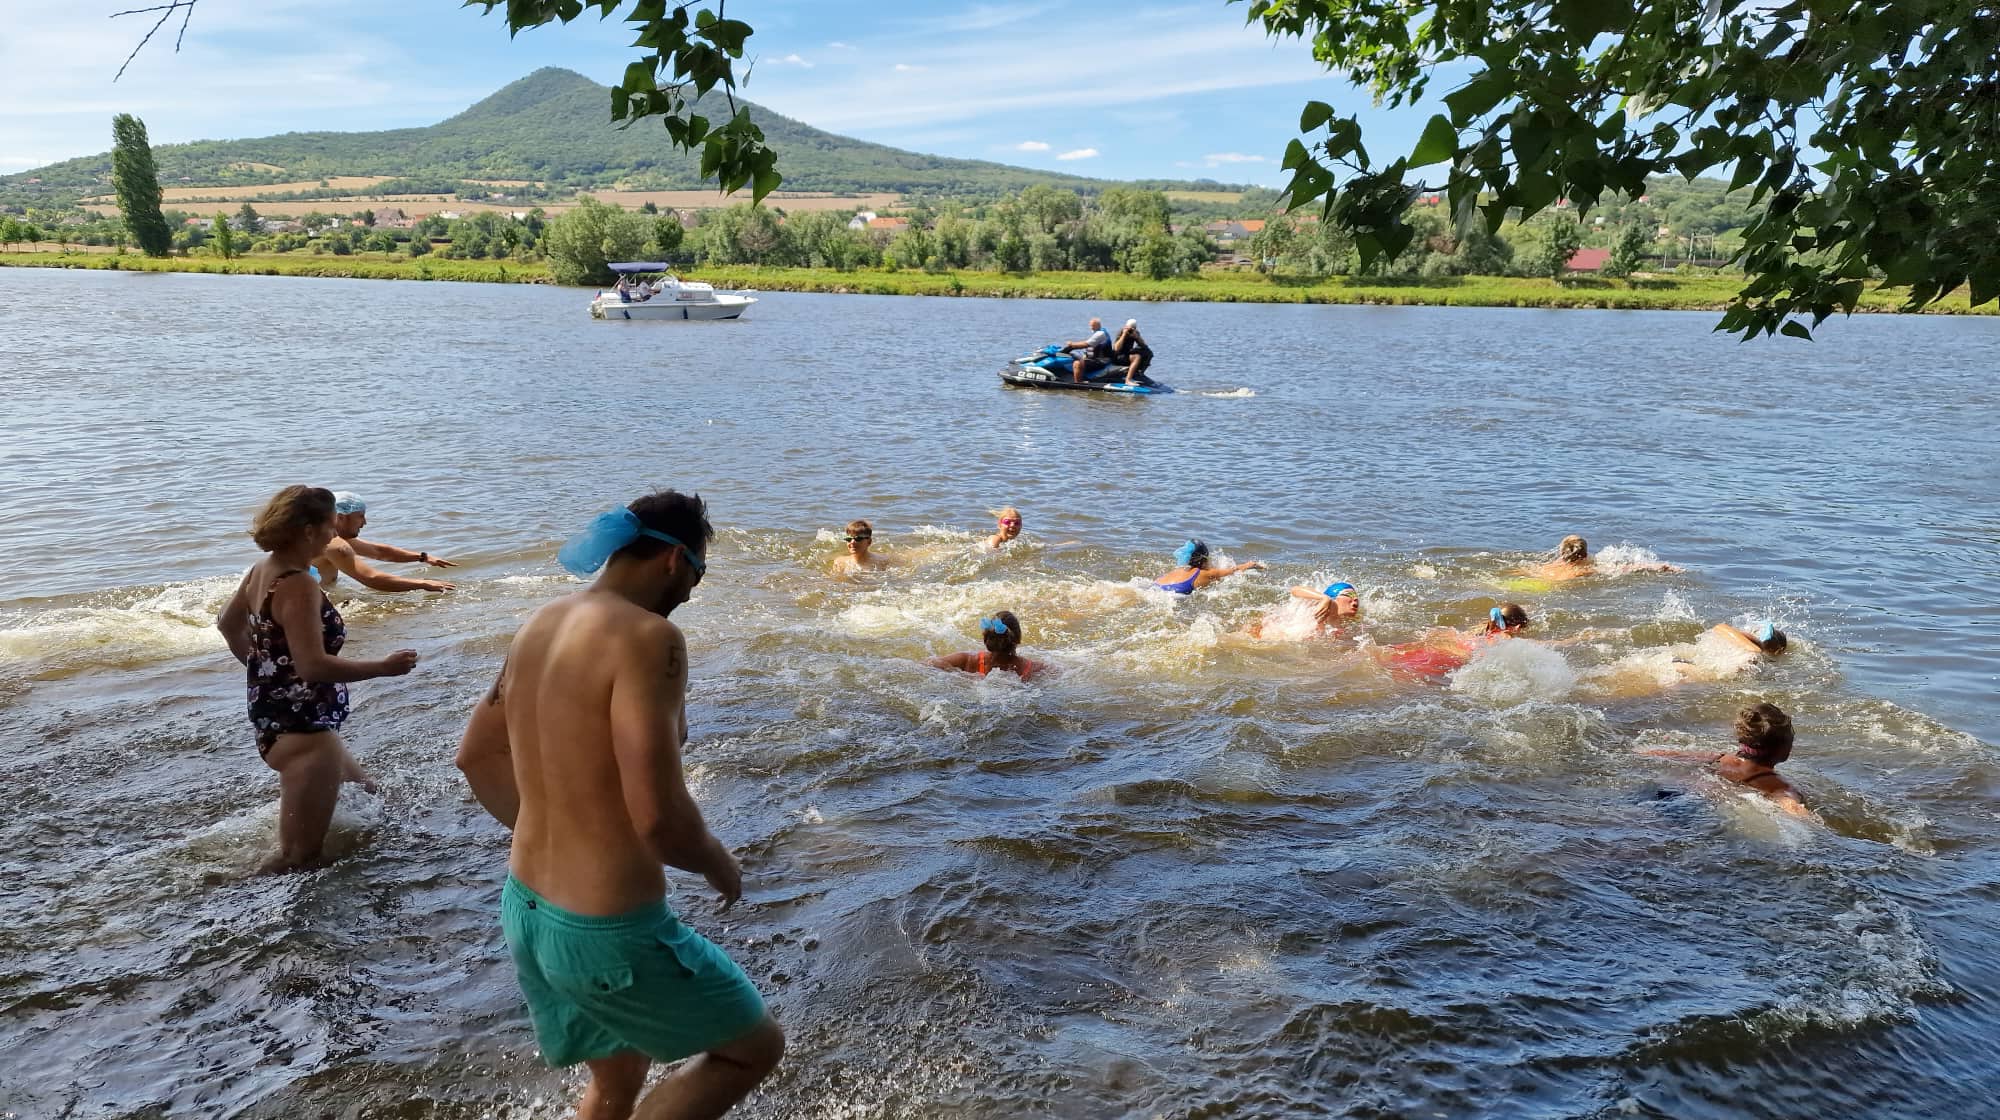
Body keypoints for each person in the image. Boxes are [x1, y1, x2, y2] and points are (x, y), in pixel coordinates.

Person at [454, 491, 784, 1120]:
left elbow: (476, 756)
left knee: (617, 1077)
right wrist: (718, 863)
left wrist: (563, 828)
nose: (692, 593)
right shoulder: (650, 638)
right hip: (606, 932)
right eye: (698, 574)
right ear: (674, 560)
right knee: (752, 1049)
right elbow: (659, 816)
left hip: (527, 909)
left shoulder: (541, 622)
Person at [215, 485, 419, 873]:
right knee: (298, 858)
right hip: (305, 734)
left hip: (282, 723)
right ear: (309, 530)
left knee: (369, 796)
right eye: (330, 525)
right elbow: (313, 667)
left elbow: (227, 625)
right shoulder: (298, 584)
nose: (334, 534)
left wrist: (267, 678)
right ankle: (219, 897)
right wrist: (384, 667)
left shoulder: (262, 569)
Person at [1638, 702, 1811, 818]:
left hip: (1673, 793)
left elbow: (1662, 754)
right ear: (1783, 749)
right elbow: (1794, 810)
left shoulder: (1718, 758)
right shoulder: (1779, 787)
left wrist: (1639, 752)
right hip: (1698, 811)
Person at [316, 492, 456, 594]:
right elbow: (371, 578)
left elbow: (379, 552)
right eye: (360, 516)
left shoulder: (323, 536)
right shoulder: (334, 544)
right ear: (340, 517)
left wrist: (423, 557)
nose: (364, 522)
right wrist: (423, 583)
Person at [929, 611, 1042, 681]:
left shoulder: (968, 660)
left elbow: (929, 663)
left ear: (987, 637)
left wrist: (963, 676)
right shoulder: (1028, 668)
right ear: (1017, 640)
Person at [1244, 580, 1361, 640]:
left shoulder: (1349, 622)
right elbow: (1295, 590)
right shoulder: (1331, 605)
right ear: (1334, 597)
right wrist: (1324, 598)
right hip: (1269, 636)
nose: (1355, 598)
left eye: (1356, 596)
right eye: (1348, 594)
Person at [1153, 538, 1265, 594]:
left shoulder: (1178, 570)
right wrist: (1251, 564)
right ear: (1204, 559)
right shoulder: (1206, 573)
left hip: (1156, 588)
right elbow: (1234, 570)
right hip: (1176, 595)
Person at [1058, 317, 1115, 383]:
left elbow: (1085, 344)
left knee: (1077, 363)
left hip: (1102, 361)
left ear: (1097, 325)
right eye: (1090, 326)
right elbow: (1091, 346)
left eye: (1092, 326)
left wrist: (1072, 345)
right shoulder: (1099, 333)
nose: (1091, 328)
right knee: (1075, 356)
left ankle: (1078, 384)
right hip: (1096, 359)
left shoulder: (1100, 334)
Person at [1111, 318, 1156, 386]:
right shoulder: (1121, 332)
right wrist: (1124, 335)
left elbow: (1144, 346)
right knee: (1136, 357)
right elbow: (1116, 349)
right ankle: (1128, 380)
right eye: (1129, 328)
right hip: (1118, 356)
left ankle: (1140, 373)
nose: (1130, 330)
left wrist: (1137, 337)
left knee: (1148, 352)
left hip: (1127, 353)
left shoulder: (1135, 332)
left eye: (1133, 328)